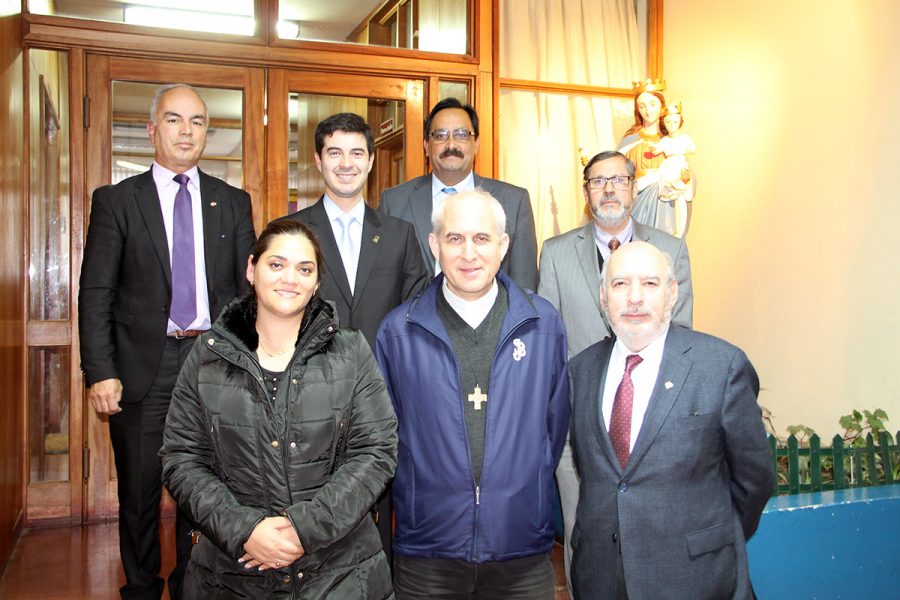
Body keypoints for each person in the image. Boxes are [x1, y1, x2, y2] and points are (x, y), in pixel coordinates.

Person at [78, 83, 256, 600]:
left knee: (203, 489)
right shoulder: (117, 200)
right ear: (153, 129)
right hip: (140, 367)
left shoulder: (232, 201)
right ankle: (139, 588)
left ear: (207, 132)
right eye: (175, 120)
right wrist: (100, 370)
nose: (187, 131)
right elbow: (96, 293)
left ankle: (190, 587)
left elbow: (246, 292)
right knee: (139, 492)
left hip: (211, 362)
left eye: (198, 122)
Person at [160, 219, 397, 599]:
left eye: (304, 269)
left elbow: (377, 451)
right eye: (276, 264)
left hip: (341, 575)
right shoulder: (206, 356)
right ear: (251, 269)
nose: (291, 278)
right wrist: (245, 531)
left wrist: (304, 529)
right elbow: (181, 458)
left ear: (317, 282)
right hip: (231, 575)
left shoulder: (351, 352)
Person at [375, 189, 569, 599]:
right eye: (454, 238)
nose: (468, 253)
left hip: (521, 551)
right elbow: (384, 440)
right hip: (428, 552)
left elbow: (554, 427)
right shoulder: (397, 332)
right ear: (434, 246)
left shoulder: (543, 325)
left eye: (482, 239)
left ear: (503, 245)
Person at [568, 241, 773, 600]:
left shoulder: (721, 367)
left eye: (650, 284)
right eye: (620, 284)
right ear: (603, 297)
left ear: (671, 292)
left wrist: (710, 536)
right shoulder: (580, 371)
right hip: (601, 577)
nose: (635, 298)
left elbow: (754, 479)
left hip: (695, 577)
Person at [274, 111, 428, 561]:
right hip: (309, 397)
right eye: (335, 152)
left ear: (371, 161)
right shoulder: (292, 232)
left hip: (381, 396)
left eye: (356, 152)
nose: (346, 162)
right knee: (310, 508)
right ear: (319, 161)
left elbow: (415, 312)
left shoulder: (399, 235)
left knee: (376, 507)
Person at [538, 149, 693, 590]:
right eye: (597, 181)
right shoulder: (555, 252)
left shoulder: (670, 250)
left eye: (618, 180)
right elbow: (550, 341)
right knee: (582, 538)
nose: (608, 189)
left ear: (633, 186)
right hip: (578, 427)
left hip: (650, 432)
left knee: (652, 541)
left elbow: (681, 336)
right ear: (585, 191)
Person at [379, 97, 539, 290]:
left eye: (462, 134)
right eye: (440, 135)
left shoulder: (514, 202)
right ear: (426, 146)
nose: (451, 144)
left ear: (476, 144)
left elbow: (524, 287)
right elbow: (385, 282)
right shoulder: (394, 203)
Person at [616, 79, 668, 229]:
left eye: (652, 104)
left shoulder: (670, 142)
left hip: (664, 204)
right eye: (642, 106)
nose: (648, 110)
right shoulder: (630, 141)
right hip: (637, 201)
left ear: (662, 107)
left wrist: (686, 177)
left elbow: (685, 173)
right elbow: (616, 173)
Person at [655, 102, 697, 238]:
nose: (671, 124)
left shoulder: (684, 139)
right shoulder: (664, 141)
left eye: (674, 121)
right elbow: (656, 149)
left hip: (678, 167)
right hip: (666, 170)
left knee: (680, 212)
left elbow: (692, 148)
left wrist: (686, 179)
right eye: (668, 121)